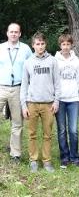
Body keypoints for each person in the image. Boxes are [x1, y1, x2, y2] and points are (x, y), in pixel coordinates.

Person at [20, 32, 61, 173]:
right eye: (37, 44)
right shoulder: (28, 62)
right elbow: (24, 85)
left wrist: (56, 101)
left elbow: (57, 83)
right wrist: (24, 105)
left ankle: (47, 161)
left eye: (42, 43)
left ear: (45, 44)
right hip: (32, 103)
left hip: (48, 104)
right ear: (33, 45)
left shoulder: (52, 61)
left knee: (47, 134)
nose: (40, 46)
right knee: (32, 134)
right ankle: (33, 160)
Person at [0, 23, 32, 163]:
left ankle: (15, 154)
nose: (13, 34)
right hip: (1, 87)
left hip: (18, 89)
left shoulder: (25, 49)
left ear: (20, 34)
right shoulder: (1, 48)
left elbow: (31, 68)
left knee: (17, 123)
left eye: (16, 32)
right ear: (7, 33)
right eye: (11, 32)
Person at [55, 34, 79, 168]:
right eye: (63, 44)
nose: (66, 47)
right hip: (60, 100)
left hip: (73, 100)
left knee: (73, 130)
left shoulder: (76, 60)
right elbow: (53, 80)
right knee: (61, 130)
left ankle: (75, 156)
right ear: (60, 45)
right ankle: (64, 156)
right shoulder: (55, 60)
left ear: (71, 45)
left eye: (68, 44)